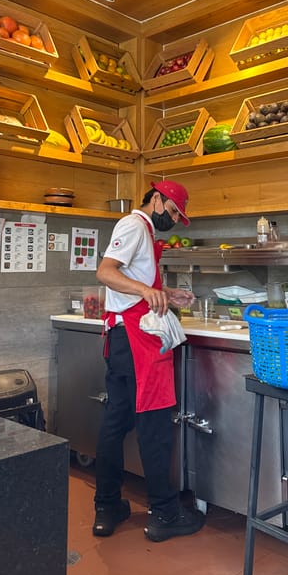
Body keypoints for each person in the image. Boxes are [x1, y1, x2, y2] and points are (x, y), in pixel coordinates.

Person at [92, 180, 206, 542]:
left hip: (123, 338)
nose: (173, 218)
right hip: (137, 342)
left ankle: (107, 507)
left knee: (116, 423)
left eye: (178, 215)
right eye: (172, 210)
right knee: (154, 427)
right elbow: (106, 272)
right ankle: (165, 513)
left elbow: (133, 285)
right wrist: (146, 291)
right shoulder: (134, 225)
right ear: (156, 198)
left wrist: (166, 293)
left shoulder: (143, 233)